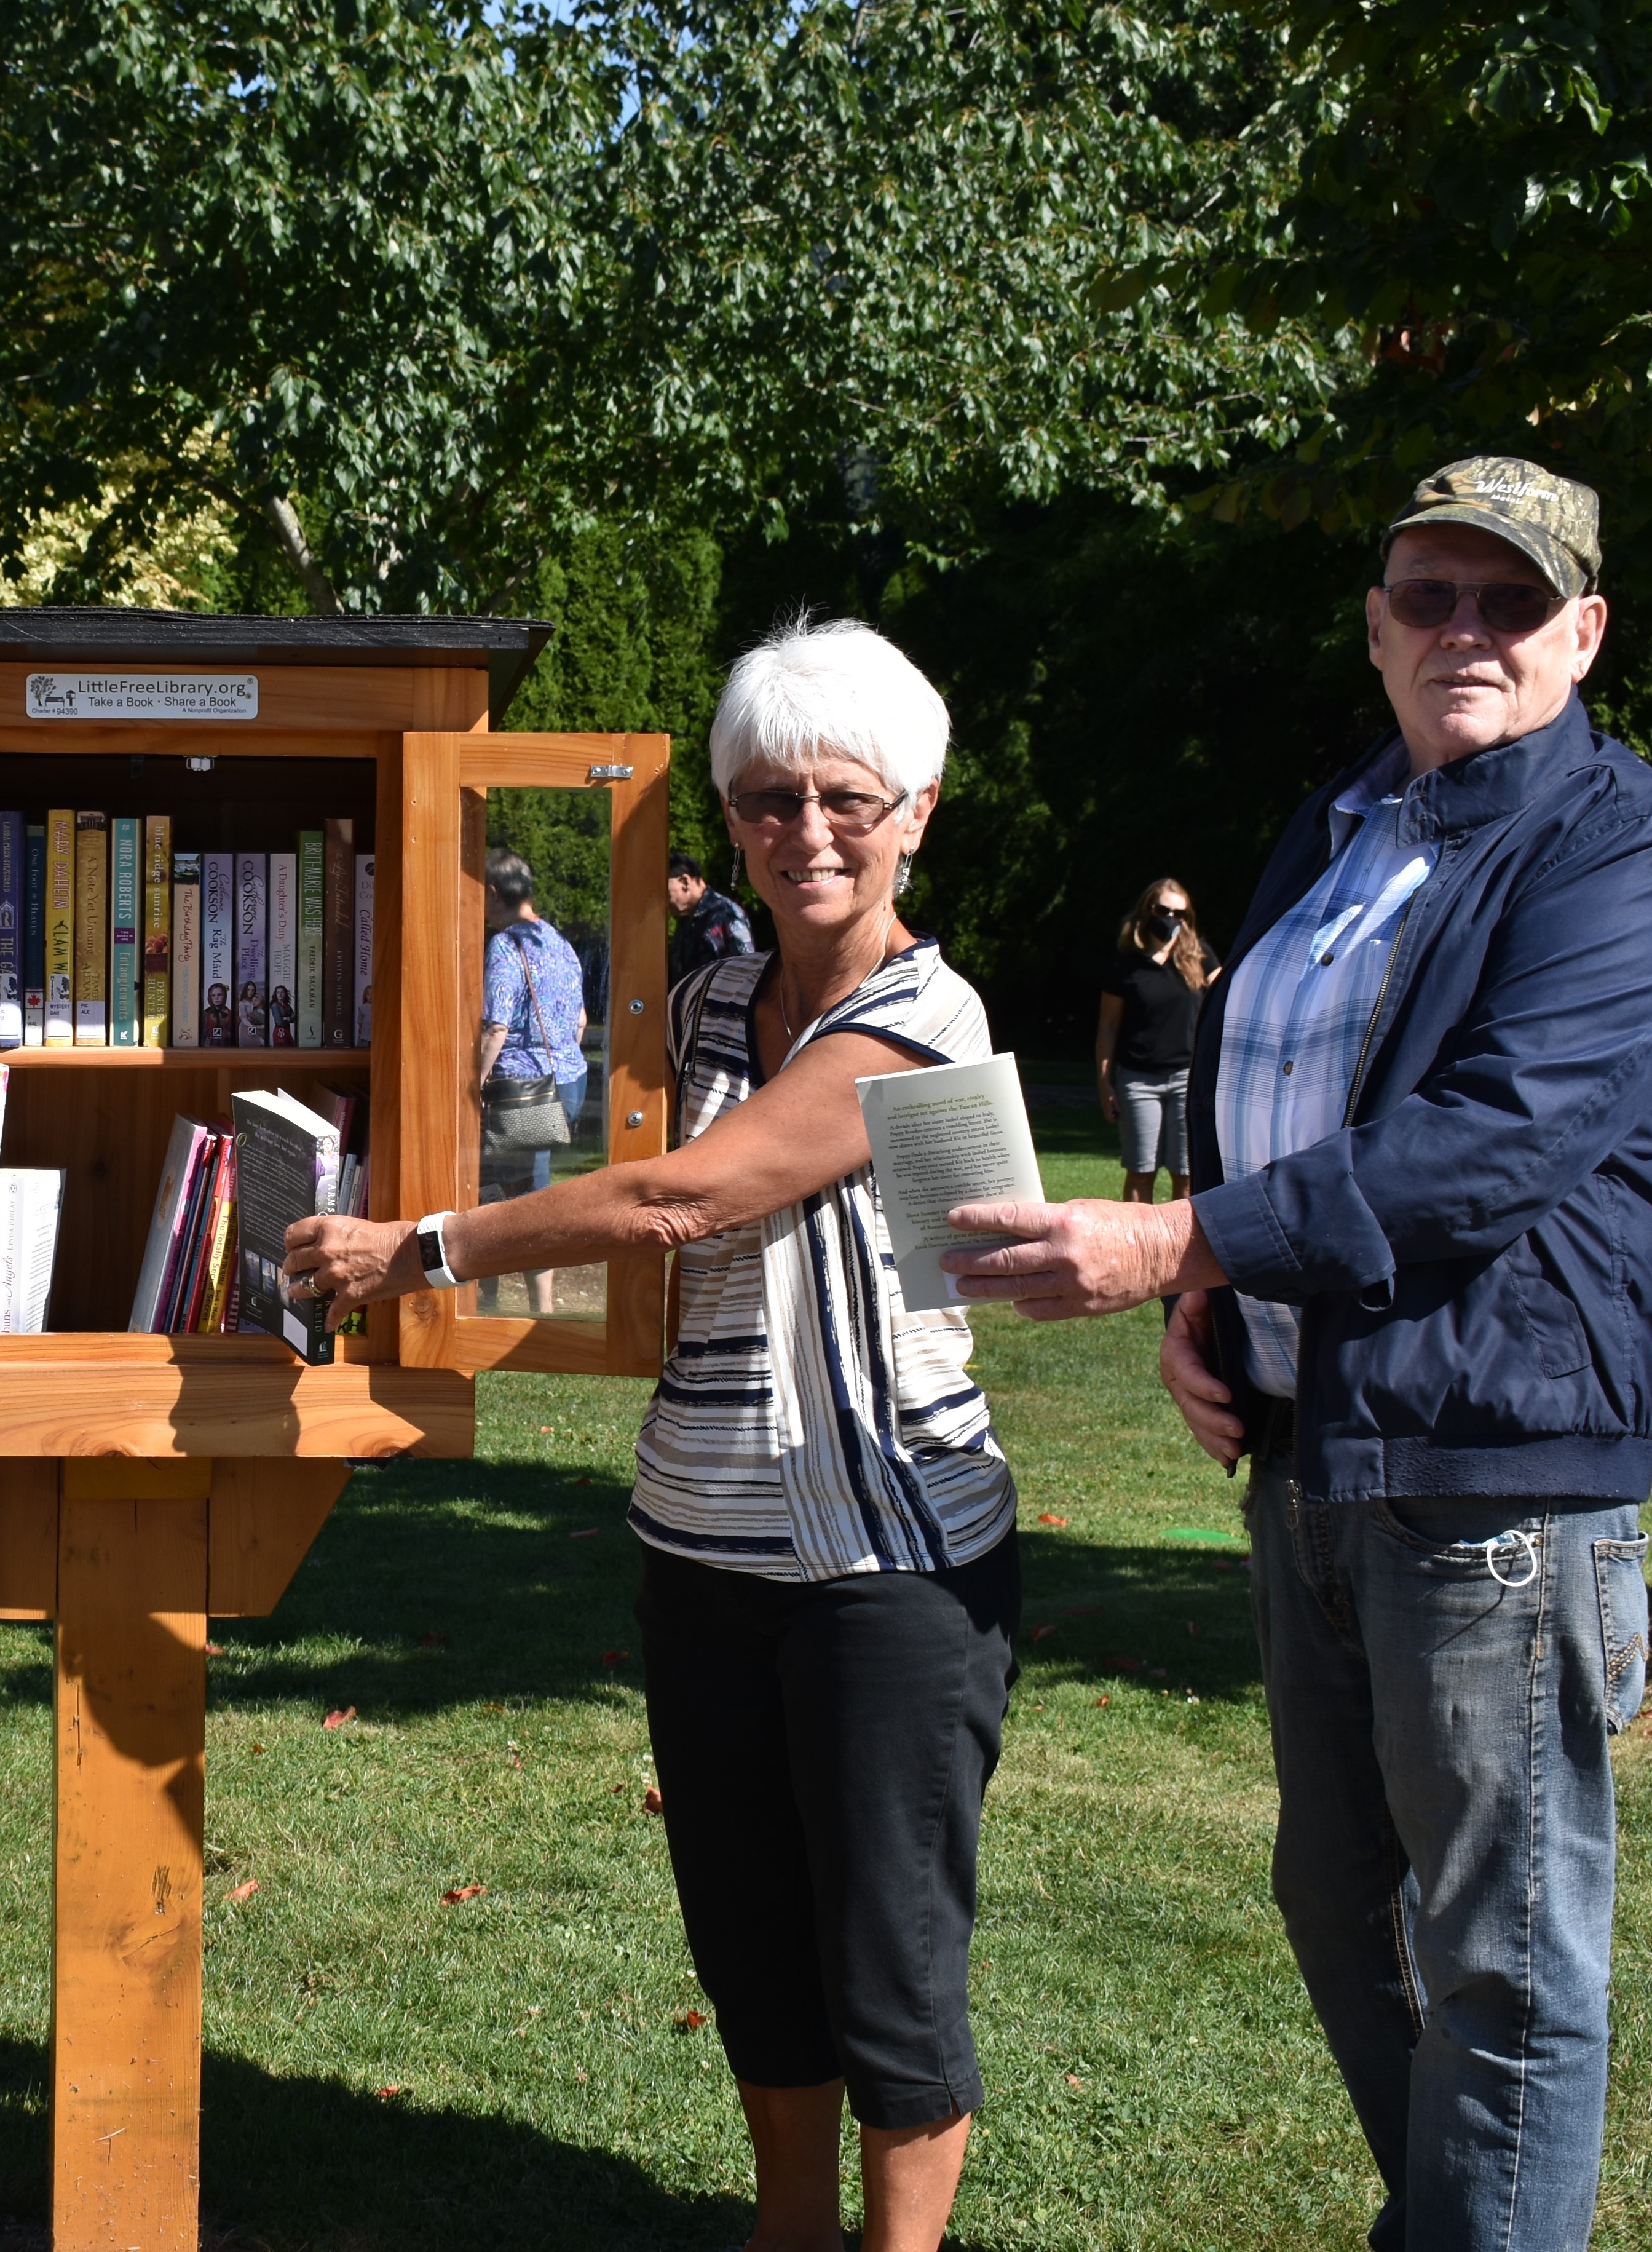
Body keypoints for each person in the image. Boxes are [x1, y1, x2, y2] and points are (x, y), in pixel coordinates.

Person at [940, 457, 1652, 2252]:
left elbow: (1488, 1139)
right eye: (1428, 596)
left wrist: (1170, 1238)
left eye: (1510, 600)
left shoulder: (1619, 845)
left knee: (1498, 1954)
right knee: (1332, 1899)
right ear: (1373, 628)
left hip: (1492, 1468)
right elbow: (1265, 1082)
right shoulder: (1336, 825)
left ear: (1582, 633)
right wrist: (1206, 1303)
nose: (1466, 630)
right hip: (1312, 1457)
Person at [288, 617, 1013, 2252]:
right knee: (747, 1935)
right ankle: (786, 2231)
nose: (805, 831)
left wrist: (423, 1247)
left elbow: (684, 1193)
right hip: (697, 1539)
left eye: (845, 797)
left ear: (915, 813)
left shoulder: (926, 1014)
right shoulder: (705, 998)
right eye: (766, 799)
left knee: (888, 1953)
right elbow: (573, 1131)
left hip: (889, 1560)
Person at [475, 849, 588, 1314]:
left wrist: (475, 1083)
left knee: (516, 1195)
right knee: (516, 1185)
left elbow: (496, 1027)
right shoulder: (557, 942)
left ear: (492, 893)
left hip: (522, 1092)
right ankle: (498, 1297)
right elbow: (580, 1021)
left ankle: (532, 1309)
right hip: (568, 1083)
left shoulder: (506, 945)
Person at [1094, 879, 1217, 1201]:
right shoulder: (1126, 962)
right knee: (1141, 1171)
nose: (1171, 919)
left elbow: (1227, 996)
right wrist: (1105, 1082)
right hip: (1138, 1080)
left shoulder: (1198, 954)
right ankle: (1135, 1236)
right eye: (1164, 911)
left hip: (1187, 1078)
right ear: (1148, 909)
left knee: (1187, 1174)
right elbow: (1108, 1025)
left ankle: (1184, 1237)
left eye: (1180, 914)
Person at [668, 848, 759, 983]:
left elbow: (744, 976)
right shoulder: (687, 919)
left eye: (665, 891)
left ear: (685, 882)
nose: (662, 900)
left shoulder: (724, 916)